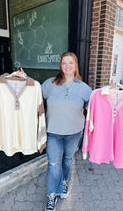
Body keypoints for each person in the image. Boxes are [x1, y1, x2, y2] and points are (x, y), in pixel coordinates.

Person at [42, 52, 92, 211]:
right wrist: (22, 79)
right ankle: (52, 195)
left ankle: (63, 182)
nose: (68, 66)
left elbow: (96, 108)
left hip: (74, 132)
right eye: (64, 63)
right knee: (54, 163)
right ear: (60, 65)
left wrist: (111, 94)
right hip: (53, 133)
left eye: (71, 63)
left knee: (68, 159)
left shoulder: (85, 88)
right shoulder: (49, 84)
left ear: (76, 65)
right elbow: (33, 94)